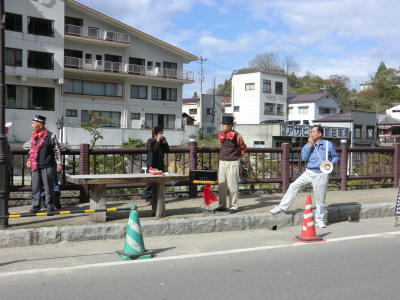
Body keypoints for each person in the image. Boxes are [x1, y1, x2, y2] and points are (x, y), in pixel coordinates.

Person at [269, 124, 339, 228]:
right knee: (293, 186)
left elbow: (335, 156)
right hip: (309, 172)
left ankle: (319, 220)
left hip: (322, 173)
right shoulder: (308, 145)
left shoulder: (328, 144)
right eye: (311, 132)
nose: (311, 133)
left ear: (320, 134)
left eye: (314, 132)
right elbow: (304, 158)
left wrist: (331, 163)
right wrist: (309, 145)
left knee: (320, 198)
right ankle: (281, 207)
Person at [26, 115, 62, 213]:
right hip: (35, 166)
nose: (32, 125)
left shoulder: (51, 136)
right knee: (35, 187)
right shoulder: (33, 136)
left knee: (48, 187)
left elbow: (57, 150)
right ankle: (35, 206)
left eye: (33, 123)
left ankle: (49, 206)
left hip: (48, 165)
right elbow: (31, 150)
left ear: (40, 125)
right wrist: (29, 159)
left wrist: (59, 163)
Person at [214, 115, 247, 214]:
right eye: (223, 125)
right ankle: (222, 205)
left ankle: (233, 206)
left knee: (232, 185)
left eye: (225, 125)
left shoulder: (237, 135)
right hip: (222, 162)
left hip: (233, 162)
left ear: (230, 126)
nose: (223, 127)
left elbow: (243, 147)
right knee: (222, 184)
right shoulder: (221, 134)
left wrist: (238, 158)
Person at [145, 126, 169, 203]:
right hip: (152, 164)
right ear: (155, 134)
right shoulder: (150, 141)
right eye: (160, 133)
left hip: (159, 164)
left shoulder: (161, 142)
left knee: (160, 182)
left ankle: (159, 198)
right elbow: (154, 150)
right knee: (151, 182)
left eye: (162, 133)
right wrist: (158, 141)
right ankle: (149, 198)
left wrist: (165, 142)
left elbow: (167, 150)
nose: (161, 134)